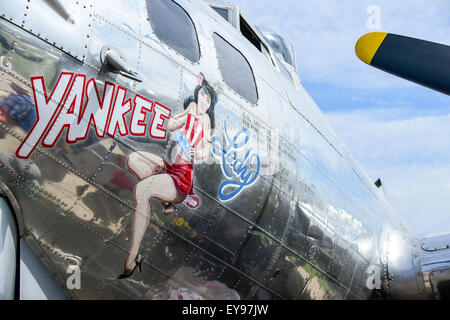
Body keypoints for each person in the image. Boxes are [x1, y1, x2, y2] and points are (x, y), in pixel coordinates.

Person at [118, 74, 217, 279]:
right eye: (202, 97)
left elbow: (205, 152)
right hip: (169, 165)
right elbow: (171, 125)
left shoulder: (206, 121)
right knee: (133, 160)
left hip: (182, 175)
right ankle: (165, 201)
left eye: (208, 100)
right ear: (198, 96)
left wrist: (194, 152)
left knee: (142, 190)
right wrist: (186, 115)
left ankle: (133, 256)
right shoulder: (190, 112)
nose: (204, 102)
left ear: (210, 104)